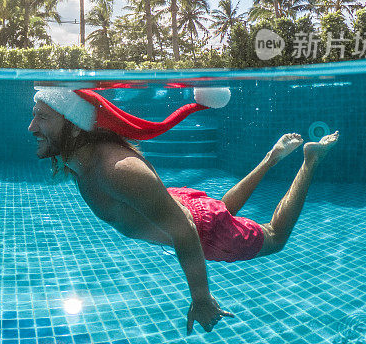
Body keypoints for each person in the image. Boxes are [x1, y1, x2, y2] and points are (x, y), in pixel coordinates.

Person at [28, 85, 339, 335]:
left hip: (198, 228)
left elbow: (184, 228)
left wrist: (201, 299)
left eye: (42, 117)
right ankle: (272, 157)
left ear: (74, 126)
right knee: (221, 210)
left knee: (275, 236)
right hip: (184, 206)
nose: (32, 127)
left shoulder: (116, 169)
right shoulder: (81, 158)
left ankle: (311, 159)